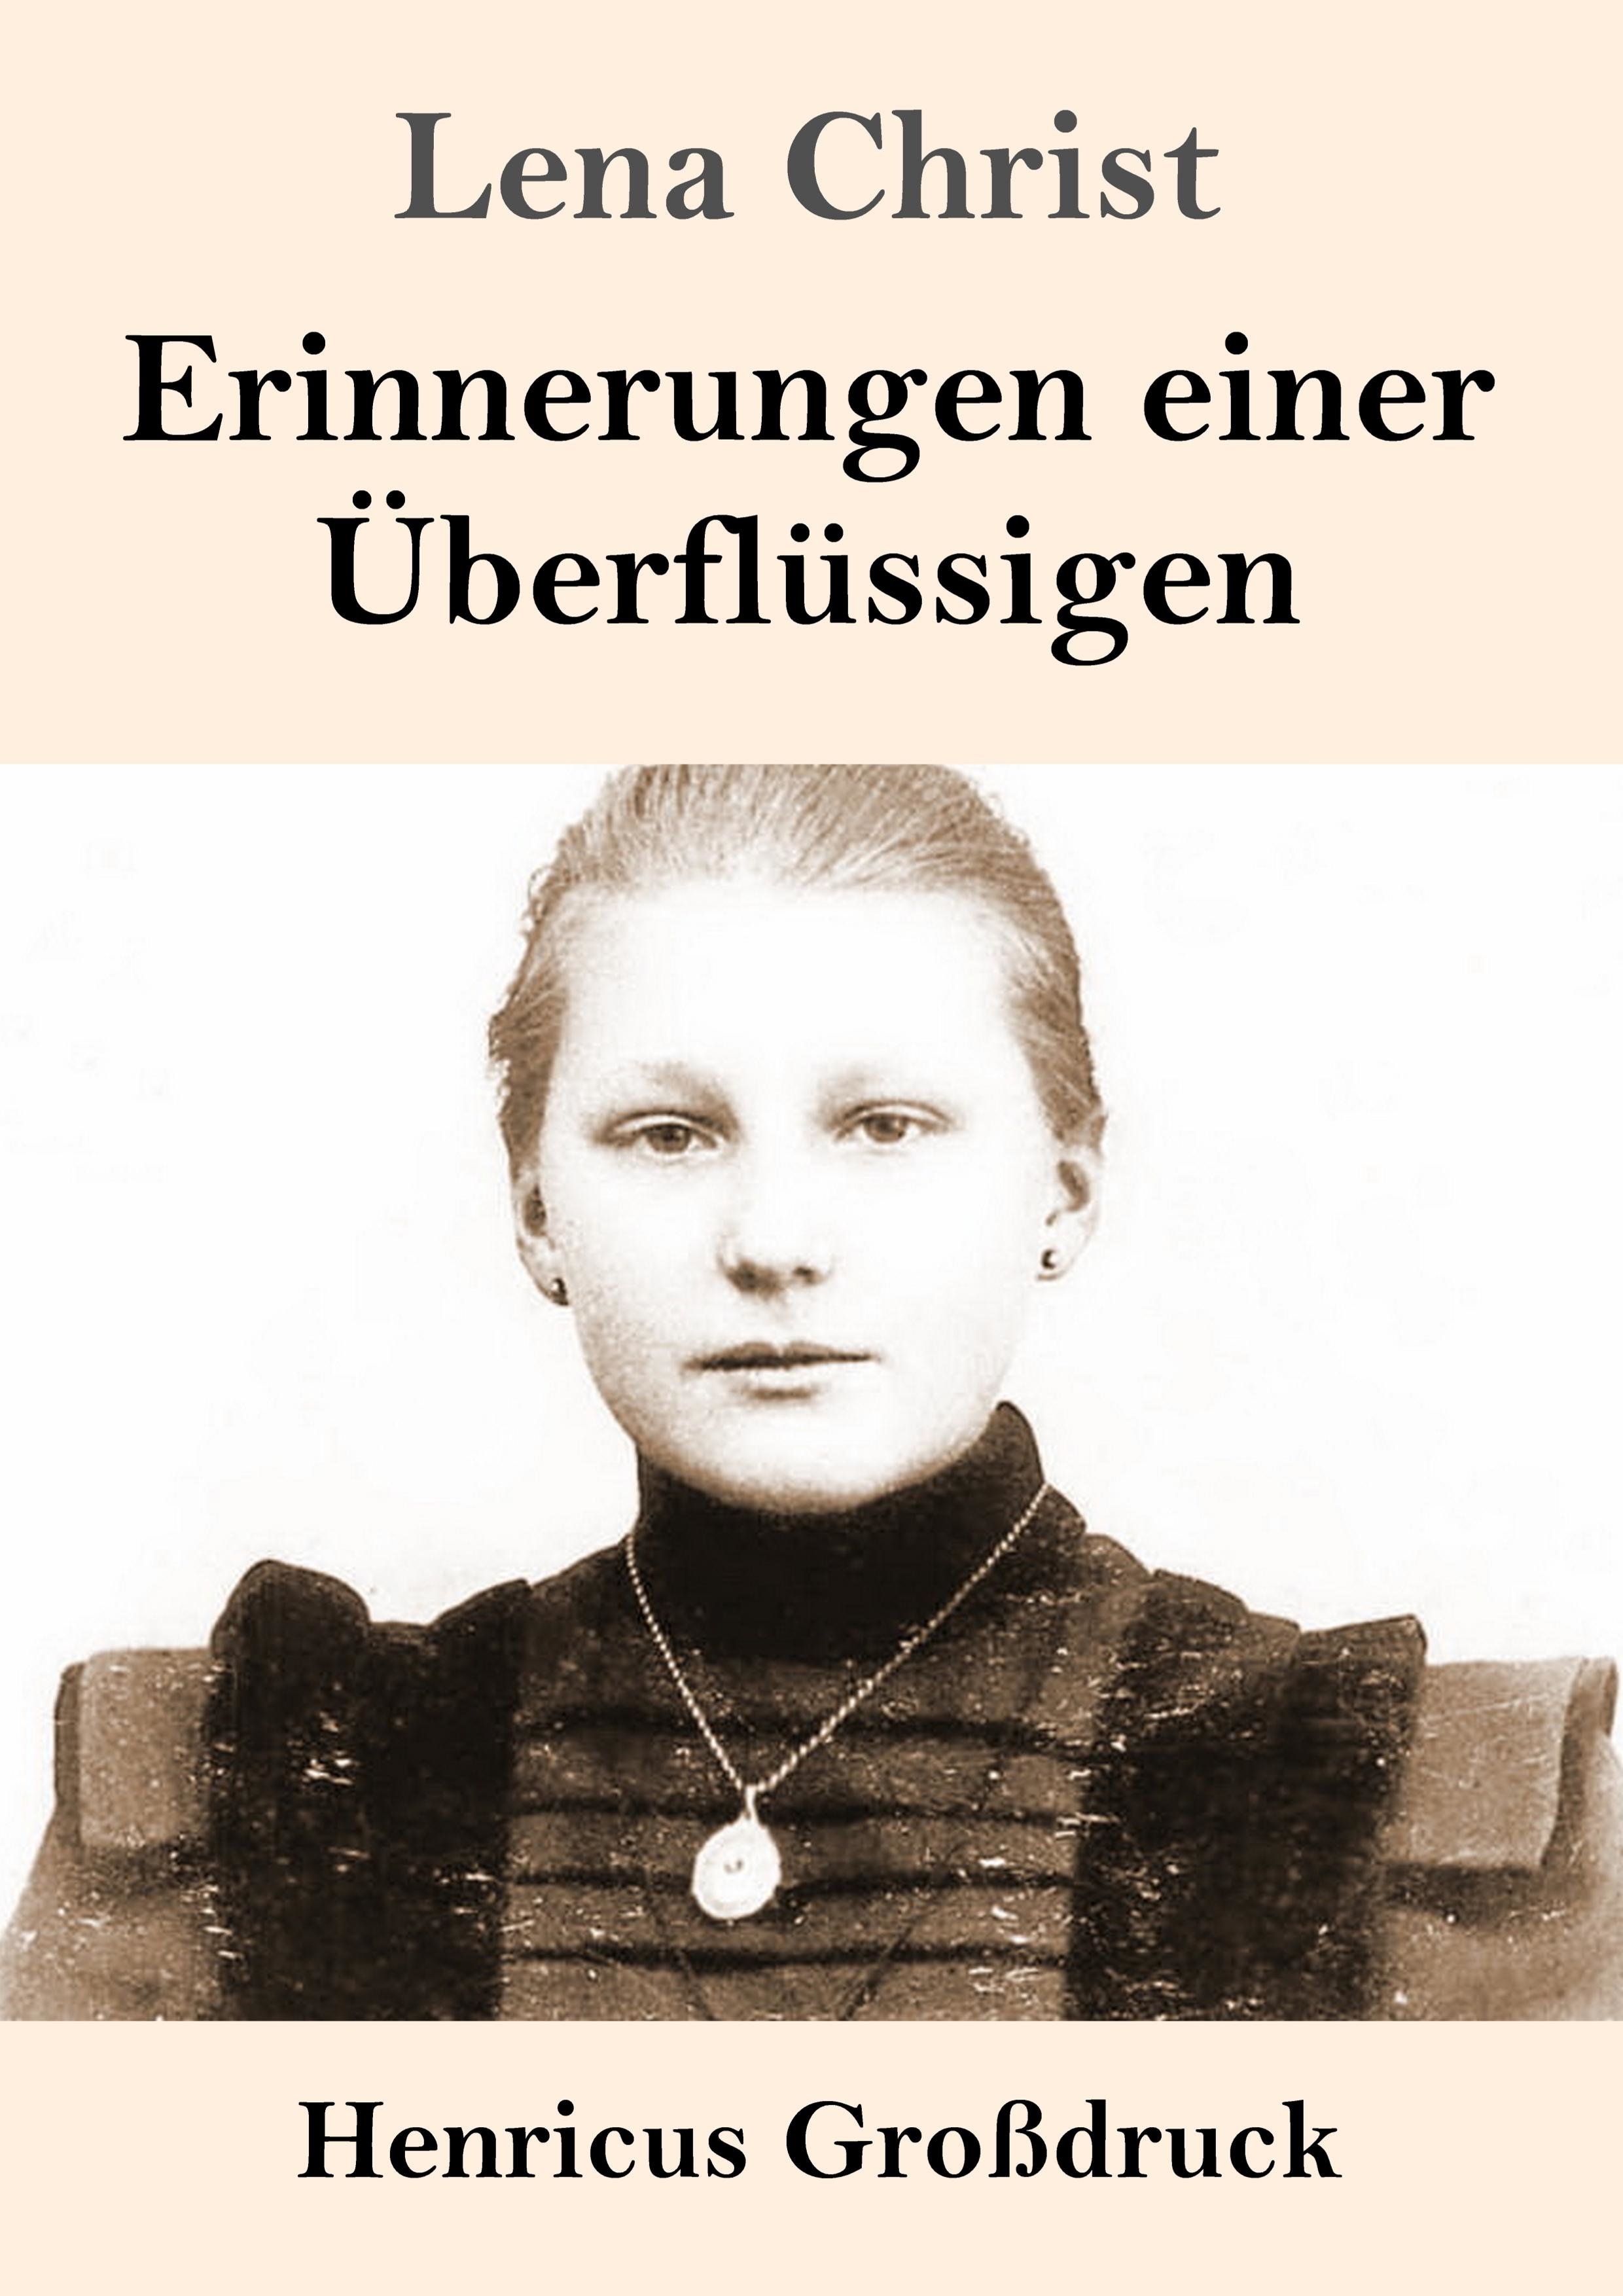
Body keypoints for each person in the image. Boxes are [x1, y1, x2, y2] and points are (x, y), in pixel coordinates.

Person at [4, 762, 1620, 2020]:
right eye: (668, 1133)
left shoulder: (1395, 1799)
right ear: (535, 1209)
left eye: (886, 1125)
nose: (775, 1238)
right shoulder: (270, 1785)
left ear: (1061, 1192)